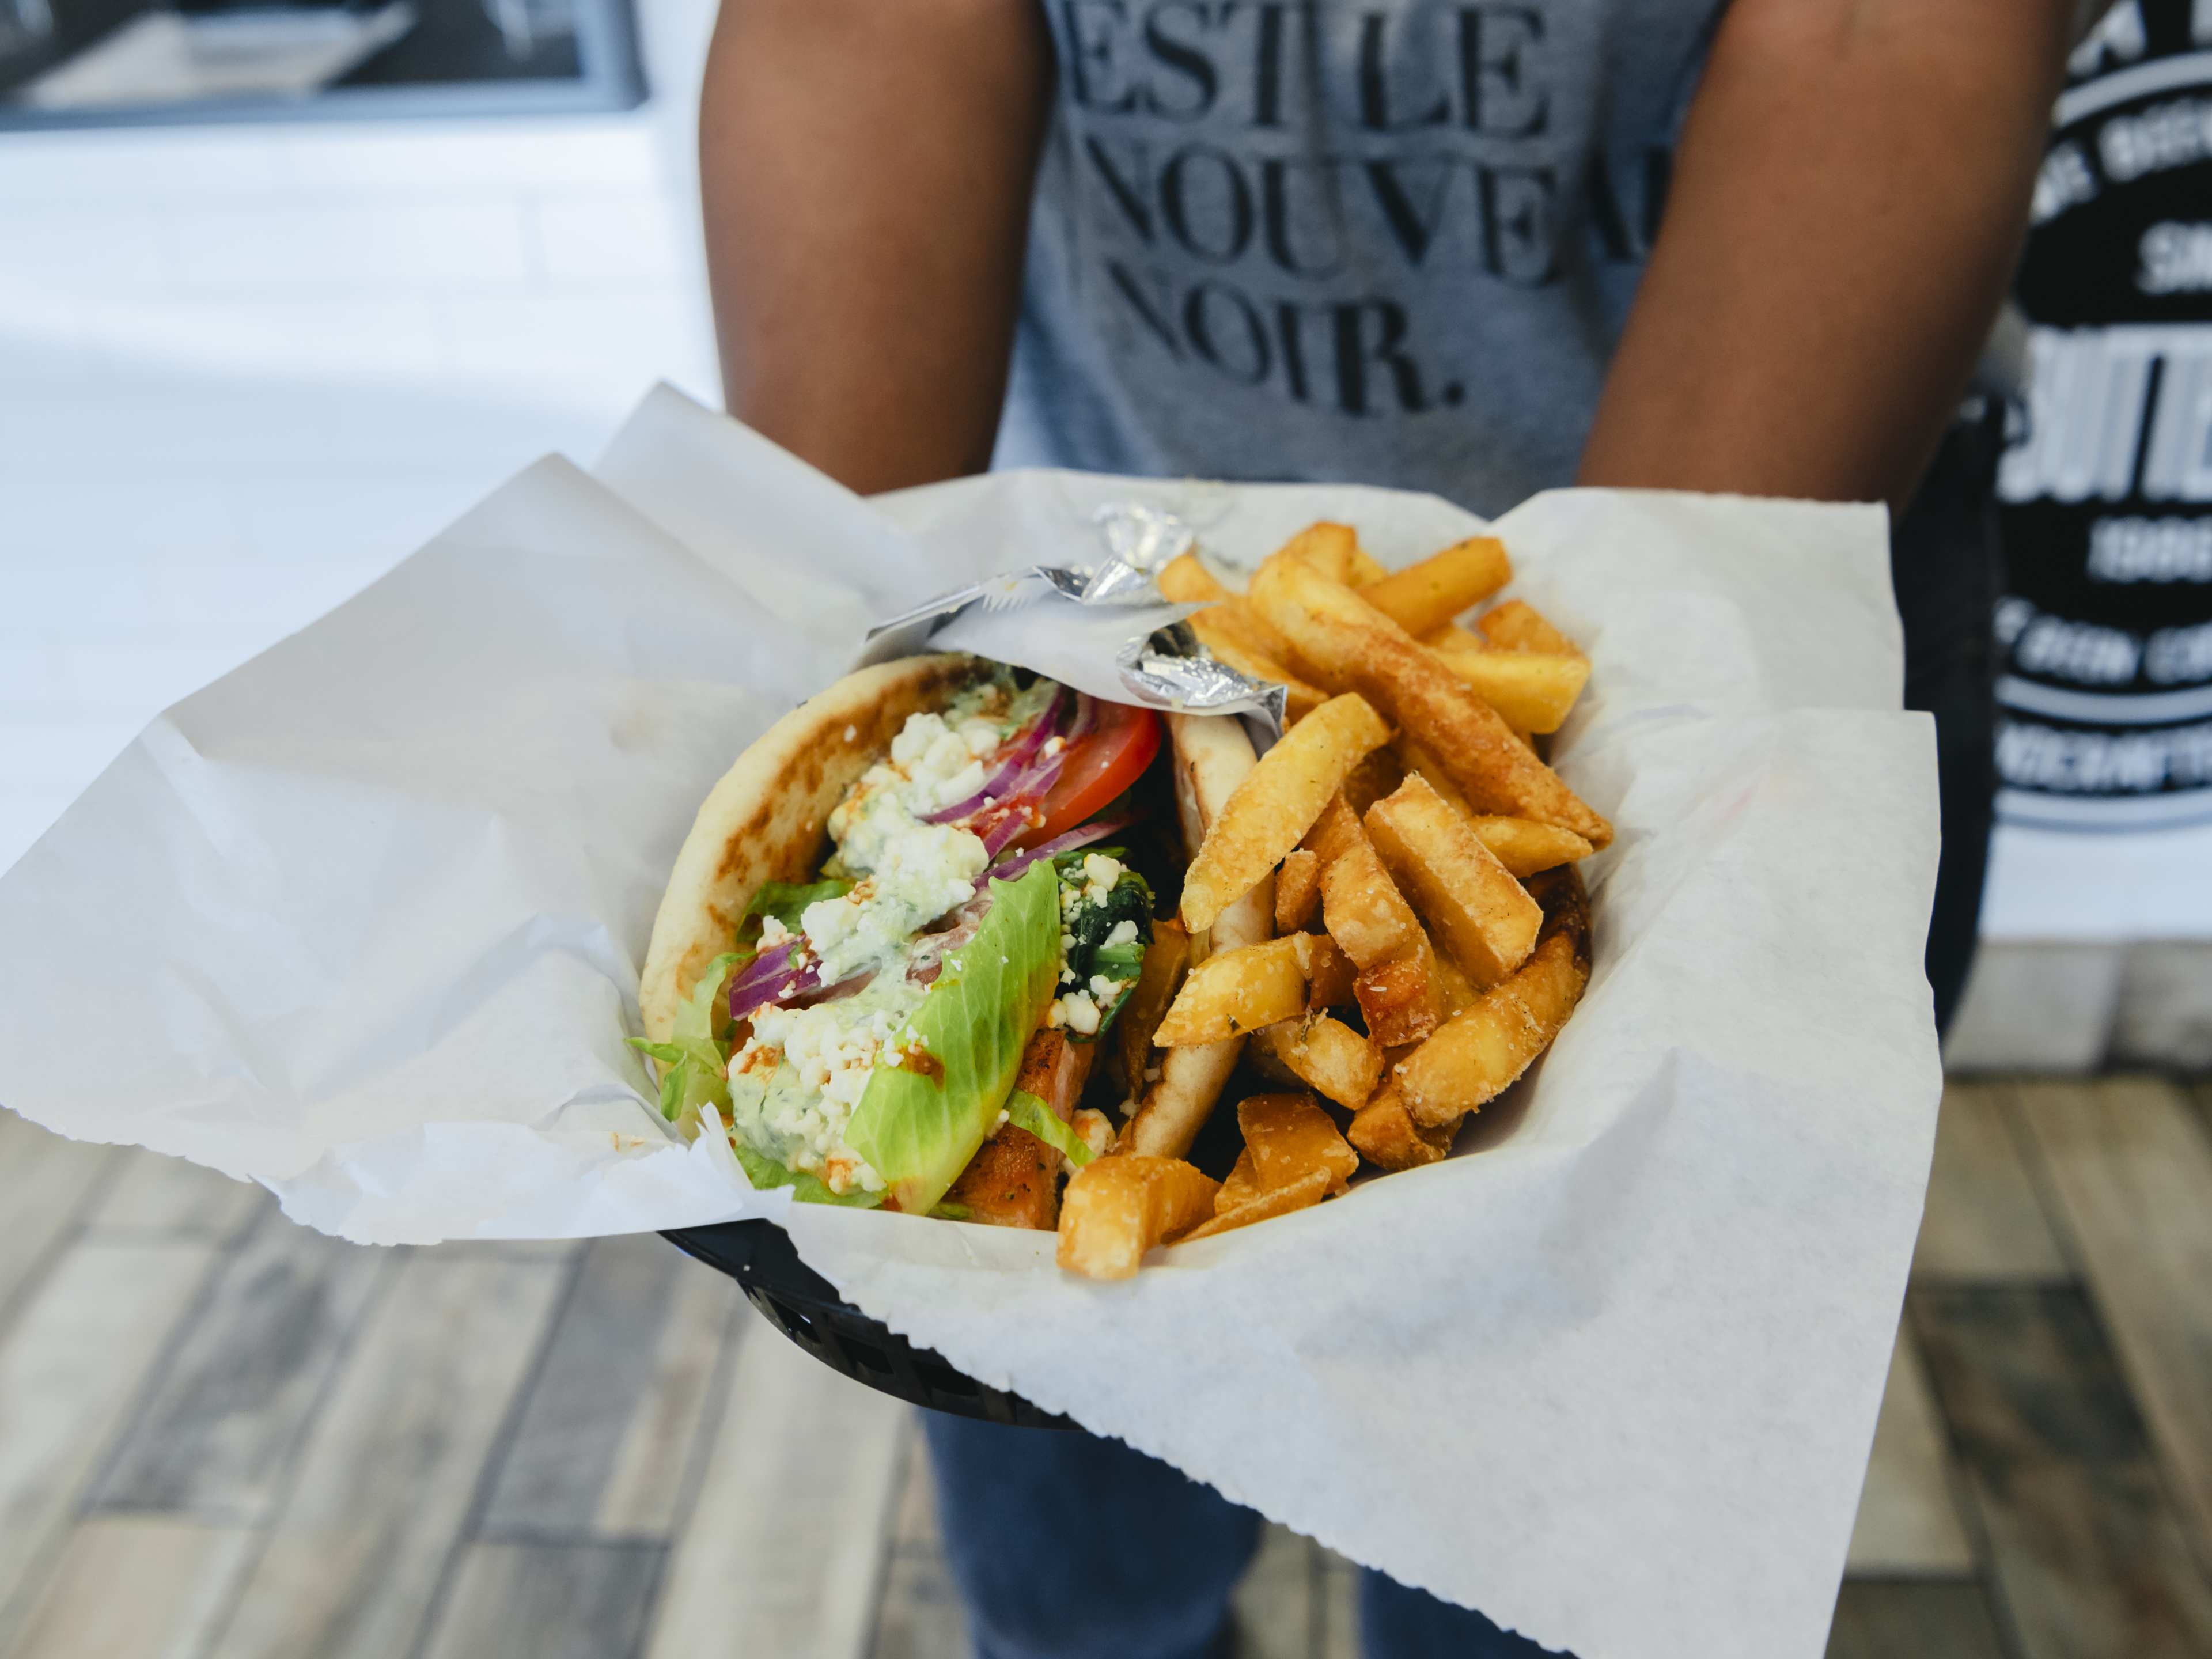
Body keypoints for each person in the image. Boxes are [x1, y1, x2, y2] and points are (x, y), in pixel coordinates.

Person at [697, 3, 2084, 1653]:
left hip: (1757, 617)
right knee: (1084, 1580)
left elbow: (1881, 34)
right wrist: (822, 665)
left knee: (1524, 1572)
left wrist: (1630, 739)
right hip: (1105, 611)